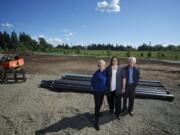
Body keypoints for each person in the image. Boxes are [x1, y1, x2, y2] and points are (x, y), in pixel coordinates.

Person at [91, 60, 107, 131]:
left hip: (102, 92)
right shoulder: (96, 74)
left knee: (100, 103)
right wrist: (96, 88)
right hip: (97, 92)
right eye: (100, 65)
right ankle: (96, 123)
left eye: (103, 65)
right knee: (97, 105)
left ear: (104, 66)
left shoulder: (105, 72)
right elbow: (92, 82)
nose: (102, 66)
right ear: (98, 66)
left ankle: (98, 113)